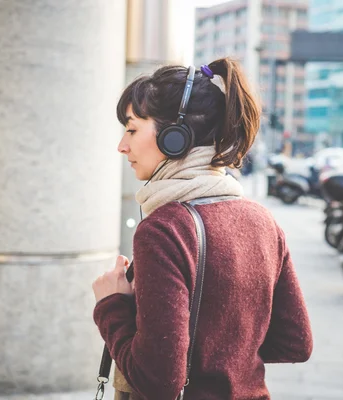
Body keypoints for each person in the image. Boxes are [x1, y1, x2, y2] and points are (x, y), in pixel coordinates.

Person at [92, 58, 313, 400]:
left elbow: (156, 383)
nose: (122, 145)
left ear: (175, 137)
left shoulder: (165, 231)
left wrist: (110, 305)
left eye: (133, 129)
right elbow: (294, 341)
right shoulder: (263, 221)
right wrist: (225, 350)